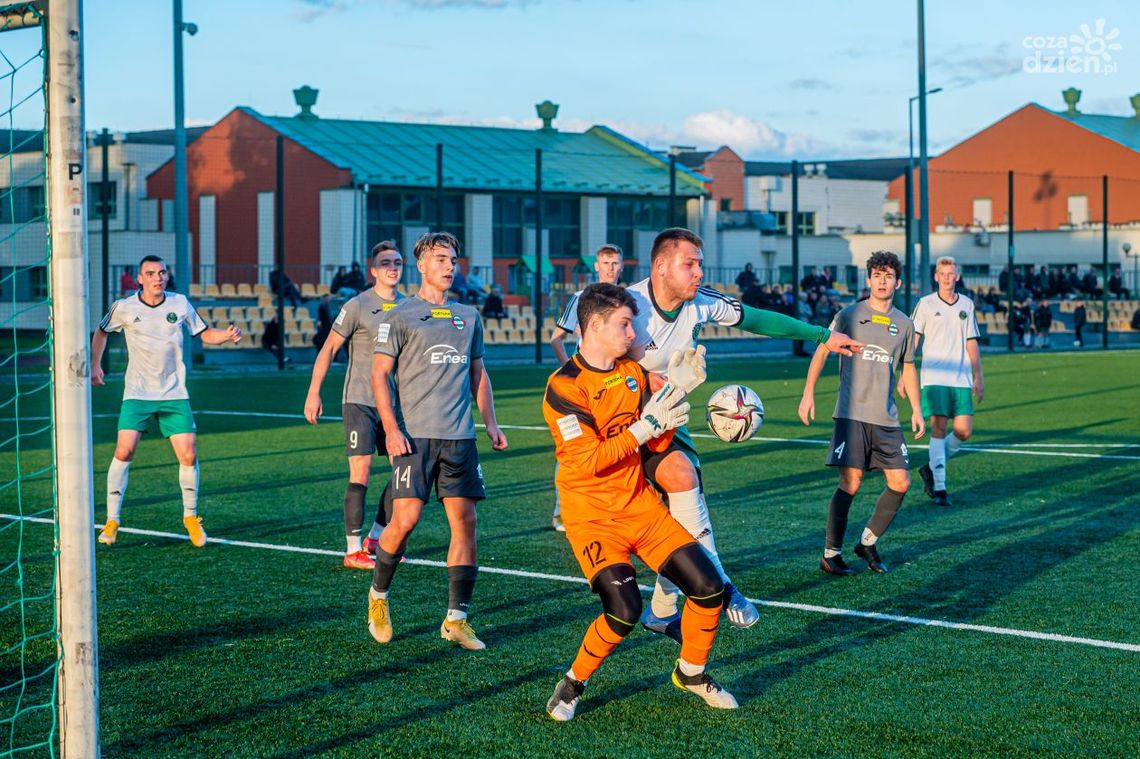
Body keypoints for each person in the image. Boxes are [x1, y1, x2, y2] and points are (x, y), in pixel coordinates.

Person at [626, 228, 862, 639]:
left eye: (700, 263)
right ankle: (665, 610)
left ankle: (698, 595)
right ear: (660, 266)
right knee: (656, 526)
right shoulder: (627, 305)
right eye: (690, 264)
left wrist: (823, 335)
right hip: (619, 421)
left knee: (683, 486)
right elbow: (588, 359)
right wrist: (645, 377)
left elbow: (758, 319)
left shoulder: (701, 302)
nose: (699, 272)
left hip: (666, 422)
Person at [542, 283, 737, 721]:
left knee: (709, 588)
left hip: (641, 507)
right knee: (624, 610)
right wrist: (646, 427)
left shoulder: (632, 373)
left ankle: (691, 672)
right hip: (592, 518)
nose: (633, 333)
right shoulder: (564, 387)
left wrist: (673, 397)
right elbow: (591, 460)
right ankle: (573, 683)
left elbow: (655, 437)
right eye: (624, 324)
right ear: (593, 325)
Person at [366, 231, 508, 651]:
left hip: (460, 438)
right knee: (404, 522)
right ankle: (378, 596)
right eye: (441, 259)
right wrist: (391, 429)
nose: (449, 266)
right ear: (422, 265)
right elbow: (379, 376)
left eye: (453, 260)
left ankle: (457, 619)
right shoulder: (399, 315)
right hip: (415, 439)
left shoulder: (468, 316)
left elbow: (478, 375)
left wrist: (492, 424)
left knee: (466, 523)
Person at [90, 255, 243, 548]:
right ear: (140, 279)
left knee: (188, 455)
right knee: (124, 451)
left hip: (174, 393)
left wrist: (226, 335)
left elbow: (204, 333)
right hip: (137, 393)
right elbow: (101, 331)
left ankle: (190, 517)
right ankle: (112, 520)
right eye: (150, 273)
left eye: (161, 272)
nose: (157, 278)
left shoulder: (180, 303)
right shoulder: (124, 307)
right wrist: (96, 364)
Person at [798, 251, 924, 575]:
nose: (883, 281)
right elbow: (822, 352)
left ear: (898, 281)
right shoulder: (848, 315)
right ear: (868, 280)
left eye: (889, 276)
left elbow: (908, 367)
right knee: (851, 483)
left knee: (901, 482)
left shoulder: (905, 324)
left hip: (887, 417)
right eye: (877, 275)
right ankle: (831, 554)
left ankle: (867, 541)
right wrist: (808, 394)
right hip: (851, 414)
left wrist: (917, 410)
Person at [304, 241, 404, 570]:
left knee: (405, 472)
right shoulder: (357, 305)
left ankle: (376, 536)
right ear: (374, 271)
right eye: (386, 262)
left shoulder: (410, 307)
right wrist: (313, 392)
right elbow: (329, 348)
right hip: (360, 401)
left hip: (396, 405)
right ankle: (353, 549)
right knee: (360, 473)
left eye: (398, 262)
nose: (393, 267)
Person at [548, 244, 625, 531]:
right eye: (605, 262)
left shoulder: (629, 299)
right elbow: (556, 339)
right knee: (574, 449)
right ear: (596, 265)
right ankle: (561, 512)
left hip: (617, 387)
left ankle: (613, 508)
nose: (610, 268)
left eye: (615, 263)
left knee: (620, 447)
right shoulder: (581, 299)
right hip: (584, 388)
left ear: (622, 266)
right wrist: (571, 371)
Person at [911, 257, 984, 508]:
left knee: (964, 430)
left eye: (950, 274)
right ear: (936, 276)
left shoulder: (967, 304)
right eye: (942, 273)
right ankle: (940, 487)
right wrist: (904, 371)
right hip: (934, 378)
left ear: (957, 276)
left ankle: (930, 468)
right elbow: (914, 339)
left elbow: (971, 341)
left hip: (961, 378)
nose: (946, 277)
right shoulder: (925, 304)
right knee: (939, 429)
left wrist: (979, 376)